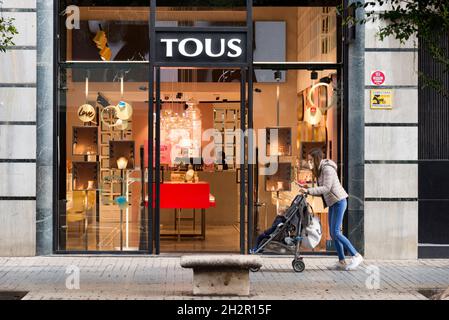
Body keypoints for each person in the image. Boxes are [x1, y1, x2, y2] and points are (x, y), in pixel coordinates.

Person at [299, 148, 364, 271]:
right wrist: (307, 189)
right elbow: (323, 192)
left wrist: (309, 190)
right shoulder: (319, 171)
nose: (309, 163)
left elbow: (327, 188)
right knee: (333, 233)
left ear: (317, 159)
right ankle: (342, 261)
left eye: (311, 160)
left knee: (336, 232)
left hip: (339, 202)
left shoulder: (327, 169)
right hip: (332, 203)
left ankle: (356, 255)